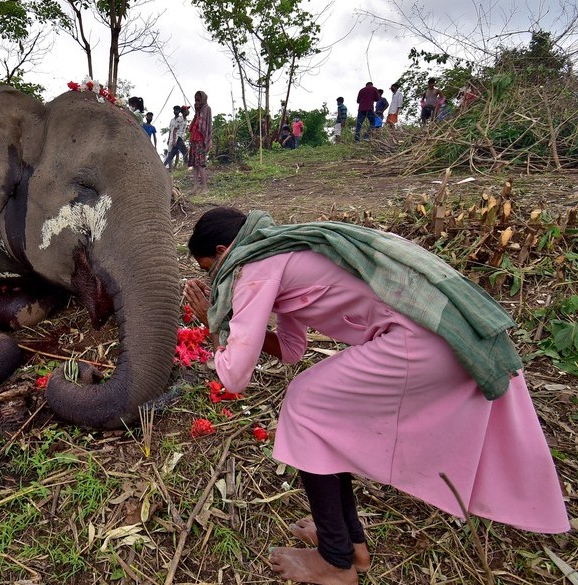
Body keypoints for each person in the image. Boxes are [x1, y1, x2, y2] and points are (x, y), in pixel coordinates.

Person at [183, 207, 569, 585]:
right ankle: (350, 544)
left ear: (223, 252)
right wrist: (233, 323)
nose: (213, 280)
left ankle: (336, 563)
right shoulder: (284, 250)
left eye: (208, 271)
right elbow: (291, 349)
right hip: (427, 333)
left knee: (304, 404)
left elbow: (234, 377)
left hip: (419, 340)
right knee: (317, 414)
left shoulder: (252, 268)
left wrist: (212, 323)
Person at [188, 91, 212, 194]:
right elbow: (193, 126)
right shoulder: (197, 112)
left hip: (201, 140)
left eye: (198, 100)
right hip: (194, 140)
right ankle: (195, 187)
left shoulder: (207, 109)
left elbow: (207, 126)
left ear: (203, 99)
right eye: (195, 100)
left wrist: (208, 140)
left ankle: (205, 188)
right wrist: (197, 111)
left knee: (200, 164)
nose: (196, 102)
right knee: (194, 164)